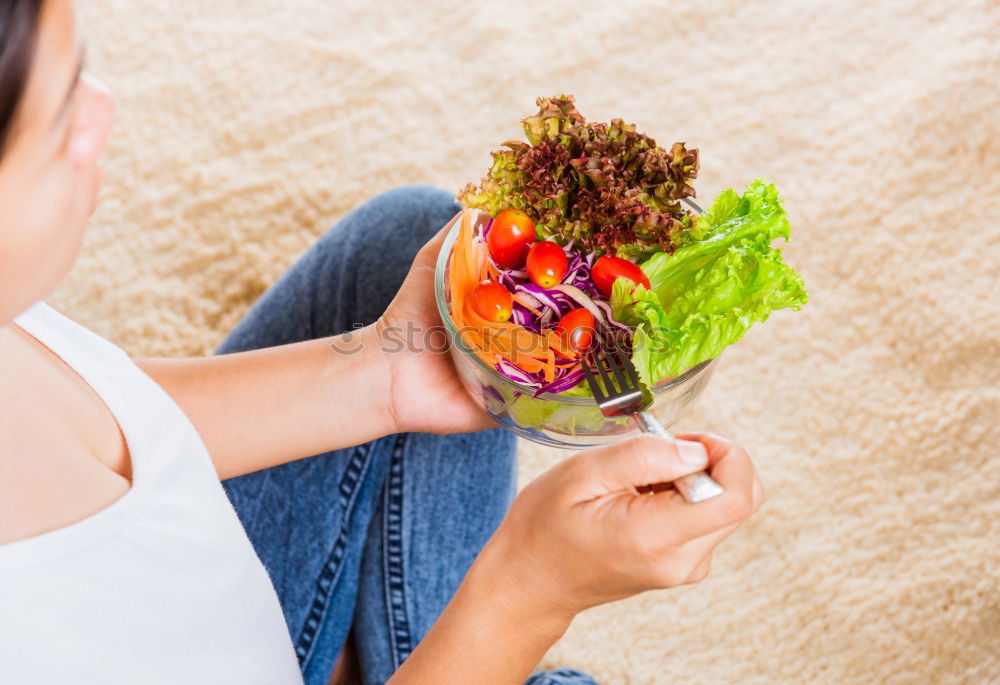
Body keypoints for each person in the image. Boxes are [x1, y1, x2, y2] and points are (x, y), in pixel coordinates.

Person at [0, 1, 764, 683]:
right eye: (59, 113)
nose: (103, 108)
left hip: (190, 606)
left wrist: (378, 375)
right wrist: (530, 591)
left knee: (402, 239)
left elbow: (90, 422)